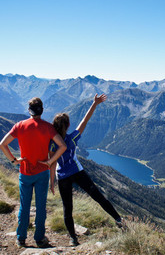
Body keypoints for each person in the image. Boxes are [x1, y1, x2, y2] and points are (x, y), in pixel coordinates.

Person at [49, 94, 123, 246]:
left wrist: (51, 182)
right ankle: (118, 219)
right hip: (78, 172)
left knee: (67, 208)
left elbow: (52, 163)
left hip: (62, 177)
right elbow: (85, 121)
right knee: (98, 196)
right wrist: (94, 104)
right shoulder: (72, 138)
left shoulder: (51, 144)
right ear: (68, 126)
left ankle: (73, 239)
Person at [0, 97, 67, 248]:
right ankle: (39, 238)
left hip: (25, 172)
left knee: (25, 206)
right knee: (41, 206)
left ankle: (21, 238)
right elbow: (62, 146)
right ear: (42, 110)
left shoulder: (19, 126)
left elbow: (2, 144)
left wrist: (14, 160)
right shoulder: (48, 128)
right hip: (42, 172)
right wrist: (50, 162)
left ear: (29, 110)